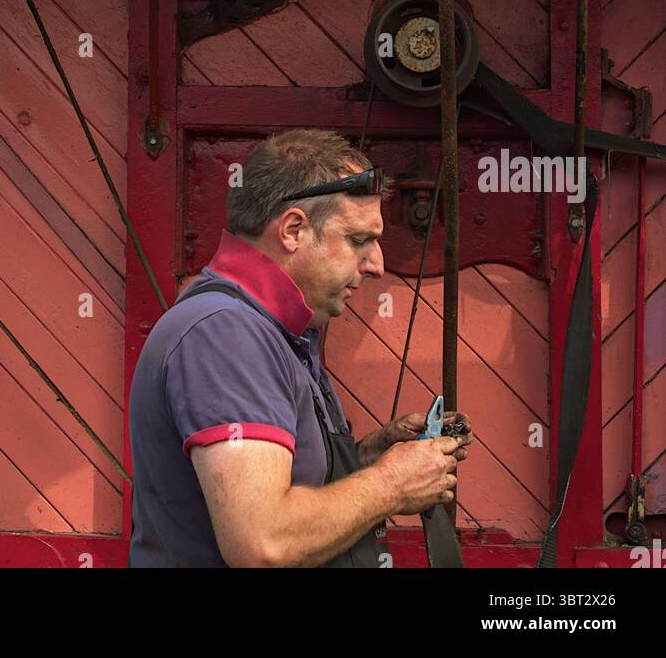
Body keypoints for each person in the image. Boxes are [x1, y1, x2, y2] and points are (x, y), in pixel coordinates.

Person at [128, 127, 472, 567]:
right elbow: (263, 543)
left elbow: (287, 482)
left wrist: (368, 457)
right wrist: (391, 485)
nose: (376, 265)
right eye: (358, 240)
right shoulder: (226, 333)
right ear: (293, 229)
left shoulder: (273, 329)